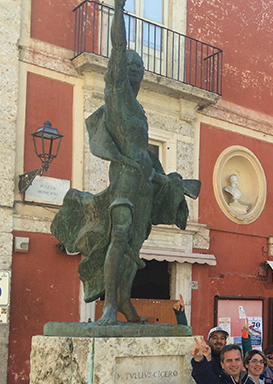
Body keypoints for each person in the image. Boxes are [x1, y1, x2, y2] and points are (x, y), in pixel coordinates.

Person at [51, 0, 199, 325]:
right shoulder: (117, 96)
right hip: (125, 180)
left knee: (136, 244)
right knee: (119, 236)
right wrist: (118, 10)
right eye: (130, 68)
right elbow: (118, 46)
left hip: (145, 183)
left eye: (139, 70)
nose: (135, 73)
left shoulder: (141, 112)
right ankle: (107, 306)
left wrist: (168, 179)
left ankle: (125, 304)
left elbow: (145, 151)